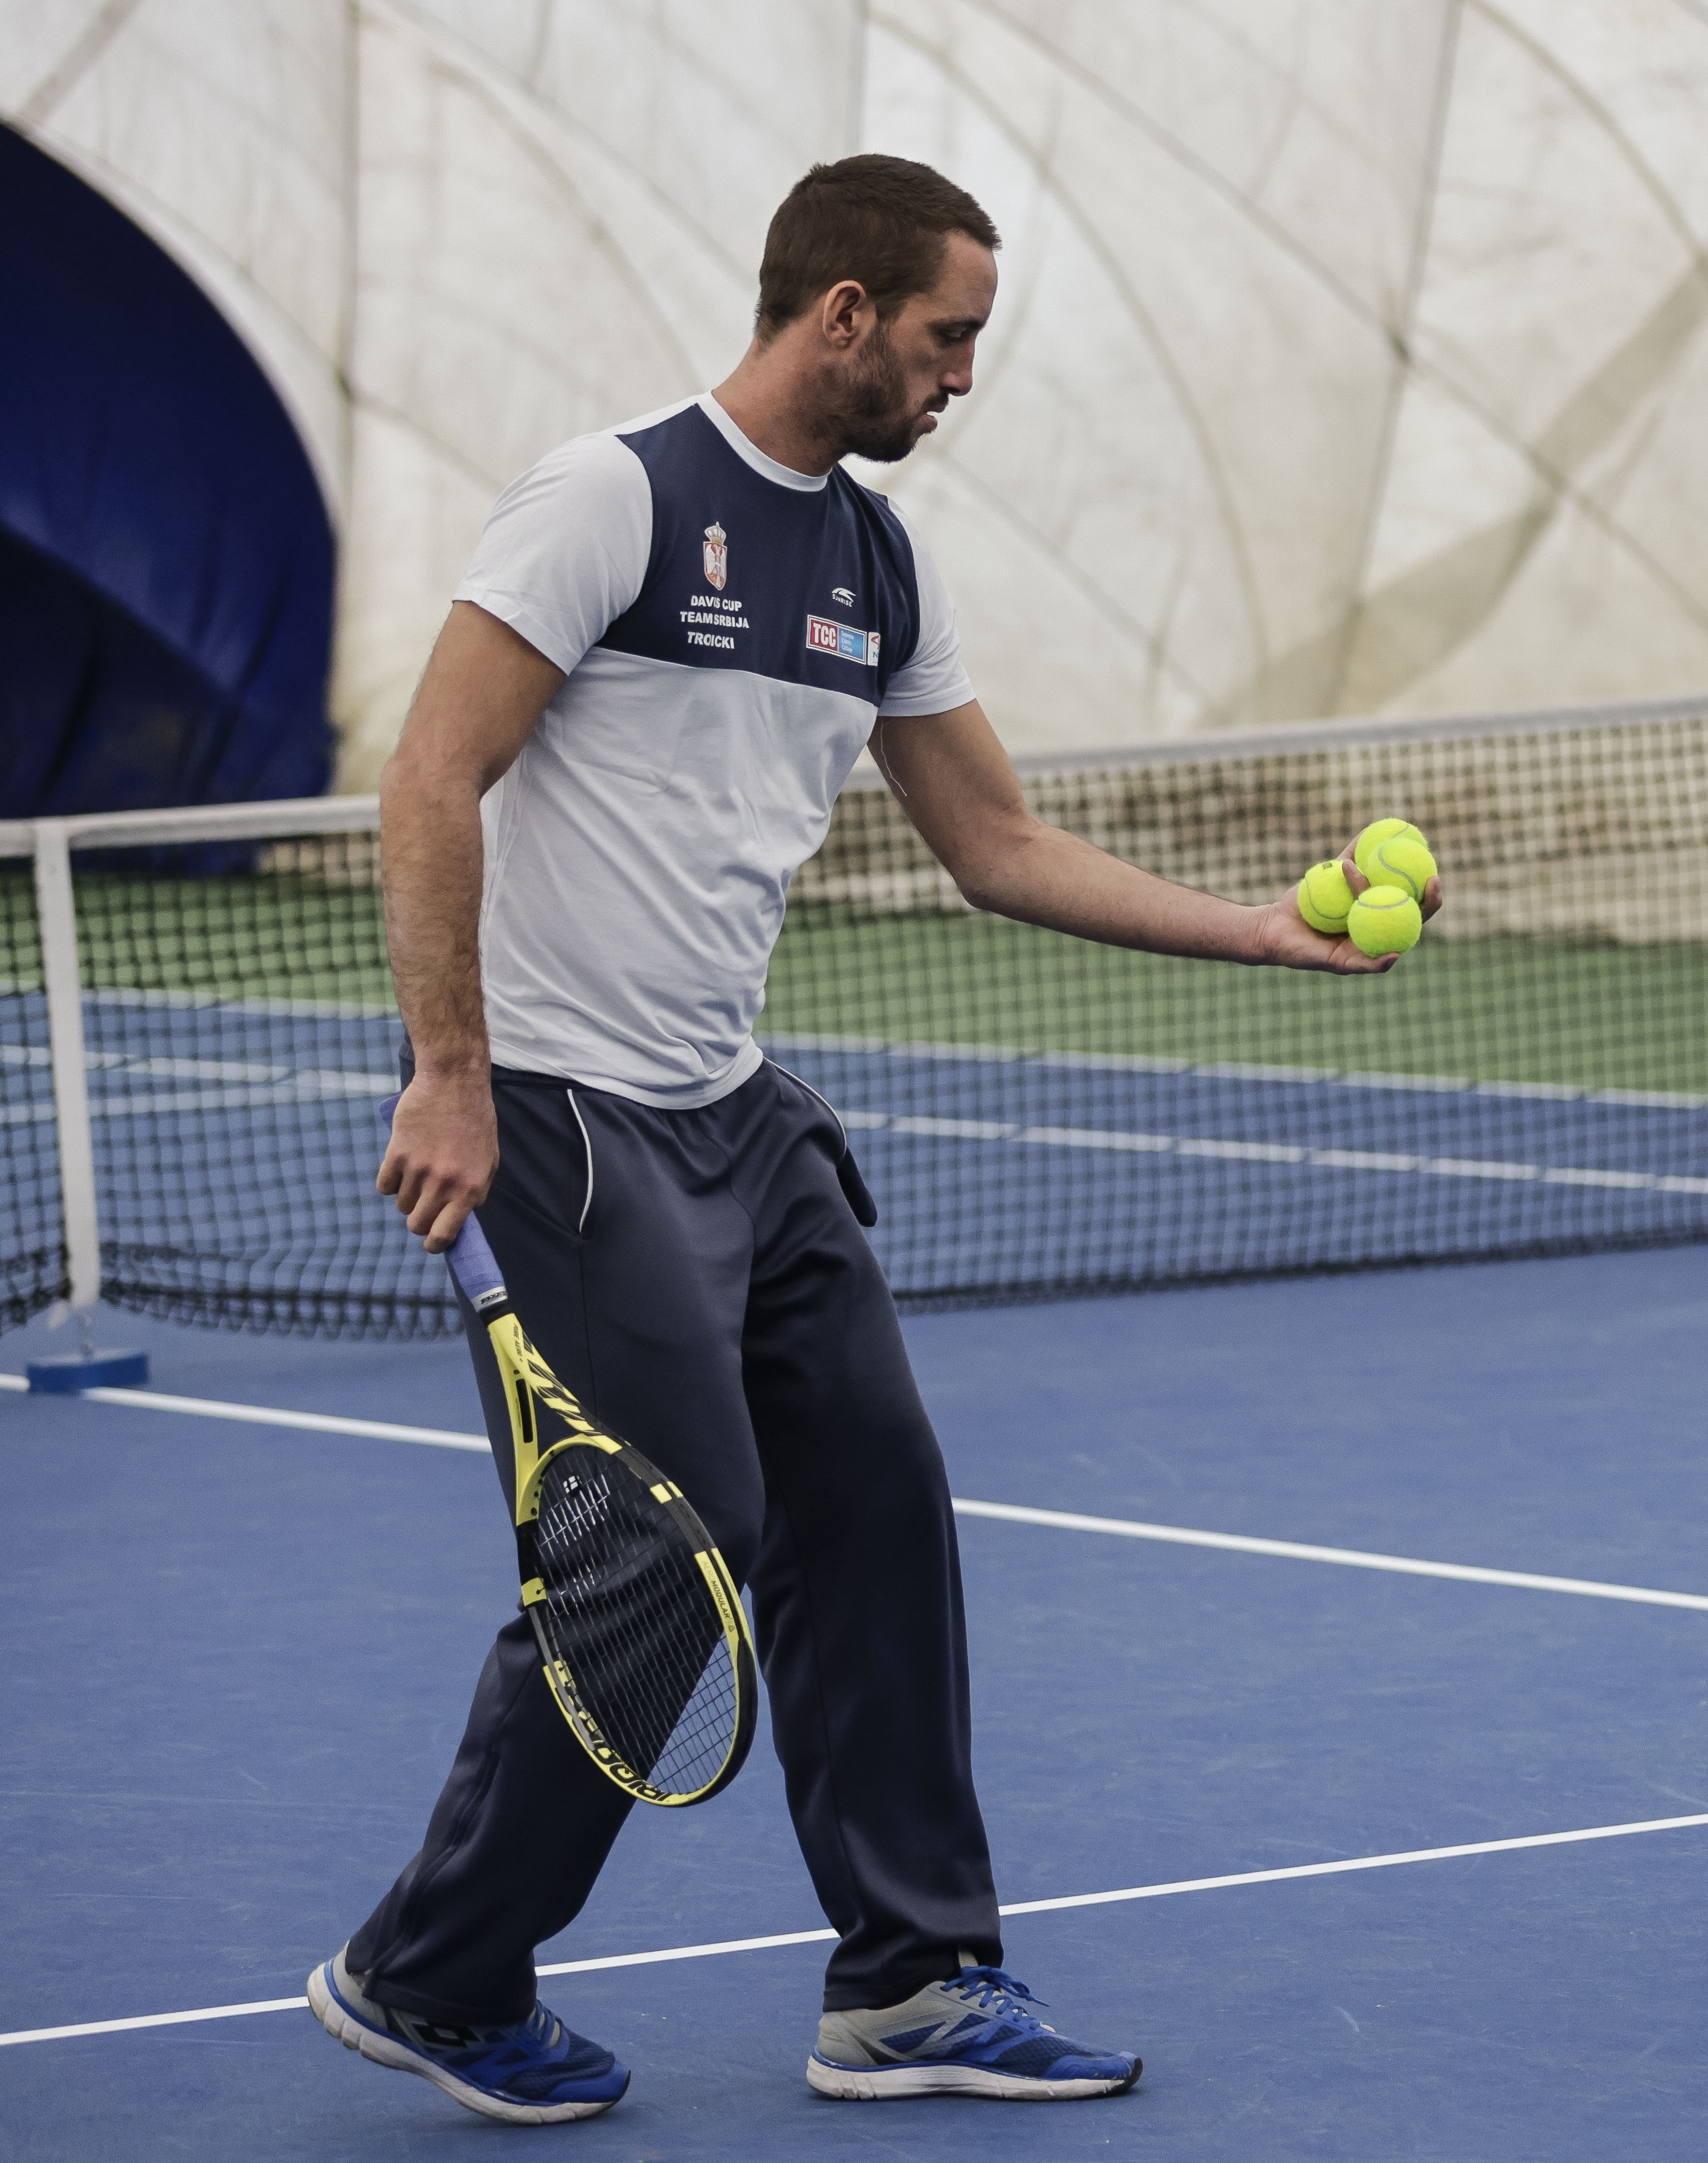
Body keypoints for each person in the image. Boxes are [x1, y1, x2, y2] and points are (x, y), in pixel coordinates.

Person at [321, 154, 1415, 2123]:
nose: (961, 374)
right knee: (674, 1547)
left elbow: (994, 845)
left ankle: (911, 1982)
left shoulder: (880, 565)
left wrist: (1256, 928)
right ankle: (437, 1967)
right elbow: (431, 773)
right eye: (947, 333)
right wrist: (451, 1069)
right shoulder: (615, 498)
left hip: (742, 1118)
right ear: (842, 313)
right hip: (569, 1113)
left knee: (877, 1503)